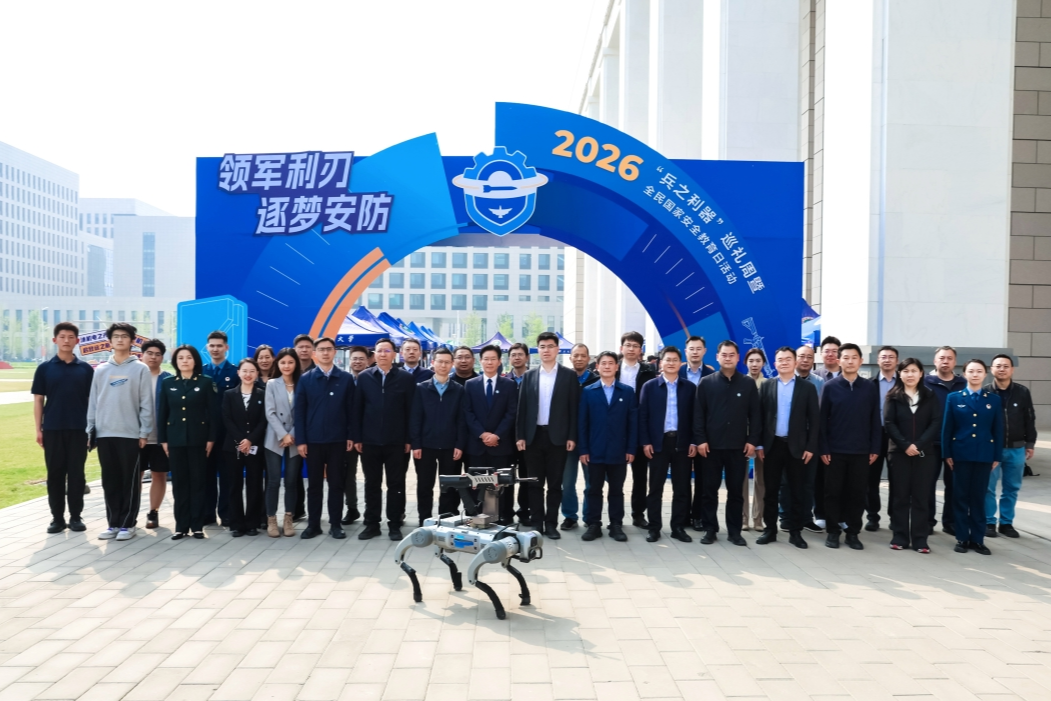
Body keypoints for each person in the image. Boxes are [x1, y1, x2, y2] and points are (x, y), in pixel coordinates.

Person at [87, 323, 154, 541]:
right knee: (110, 481)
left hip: (130, 434)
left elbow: (146, 403)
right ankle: (113, 523)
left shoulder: (140, 369)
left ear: (132, 341)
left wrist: (144, 432)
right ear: (110, 341)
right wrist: (91, 430)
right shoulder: (101, 370)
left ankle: (128, 524)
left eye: (124, 336)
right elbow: (93, 403)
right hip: (105, 433)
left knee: (129, 481)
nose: (120, 339)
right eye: (116, 336)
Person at [694, 340, 760, 546]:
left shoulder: (747, 383)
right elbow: (698, 414)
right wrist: (700, 440)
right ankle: (710, 529)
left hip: (738, 447)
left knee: (736, 492)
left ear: (738, 358)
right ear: (717, 357)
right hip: (711, 447)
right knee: (709, 491)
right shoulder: (706, 382)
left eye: (732, 355)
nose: (728, 358)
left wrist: (752, 441)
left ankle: (734, 531)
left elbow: (755, 415)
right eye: (724, 354)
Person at [516, 331, 580, 539]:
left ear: (557, 349)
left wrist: (572, 436)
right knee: (534, 483)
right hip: (533, 437)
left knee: (554, 485)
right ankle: (537, 523)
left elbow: (574, 409)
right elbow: (522, 409)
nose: (546, 350)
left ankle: (551, 524)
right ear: (538, 350)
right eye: (542, 347)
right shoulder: (529, 376)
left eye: (550, 346)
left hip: (558, 438)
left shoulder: (568, 376)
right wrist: (520, 436)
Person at [818, 343, 881, 550]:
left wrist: (875, 447)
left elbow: (875, 419)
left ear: (861, 361)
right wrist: (824, 448)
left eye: (854, 357)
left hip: (861, 451)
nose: (850, 361)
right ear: (839, 361)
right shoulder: (830, 387)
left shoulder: (869, 387)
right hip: (835, 451)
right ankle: (833, 531)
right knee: (832, 492)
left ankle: (853, 532)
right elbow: (822, 421)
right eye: (846, 357)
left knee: (857, 493)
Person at [33, 322, 95, 534]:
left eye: (70, 337)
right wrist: (38, 429)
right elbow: (38, 400)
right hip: (52, 429)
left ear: (77, 341)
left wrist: (92, 429)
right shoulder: (44, 369)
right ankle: (57, 518)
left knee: (77, 474)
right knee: (55, 474)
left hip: (79, 429)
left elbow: (92, 401)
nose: (66, 340)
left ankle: (76, 517)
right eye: (62, 337)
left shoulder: (85, 369)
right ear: (55, 340)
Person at [756, 347, 819, 549]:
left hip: (797, 447)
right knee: (771, 491)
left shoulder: (807, 387)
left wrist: (811, 446)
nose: (784, 362)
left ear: (795, 363)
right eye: (780, 359)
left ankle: (795, 532)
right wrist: (759, 444)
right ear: (775, 364)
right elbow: (759, 418)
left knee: (797, 491)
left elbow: (814, 420)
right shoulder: (767, 386)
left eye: (788, 359)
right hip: (772, 446)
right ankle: (770, 530)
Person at [353, 338, 416, 540]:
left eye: (386, 351)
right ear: (374, 355)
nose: (382, 354)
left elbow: (411, 411)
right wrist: (357, 437)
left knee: (396, 484)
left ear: (394, 354)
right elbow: (357, 409)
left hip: (396, 442)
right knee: (372, 483)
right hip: (369, 441)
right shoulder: (364, 377)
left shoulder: (405, 378)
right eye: (379, 351)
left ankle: (394, 524)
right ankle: (372, 523)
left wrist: (409, 439)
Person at [296, 337, 356, 539]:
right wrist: (301, 440)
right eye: (321, 349)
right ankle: (313, 525)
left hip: (338, 440)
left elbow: (351, 410)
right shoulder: (306, 379)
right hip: (313, 441)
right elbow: (299, 413)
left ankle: (335, 524)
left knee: (336, 483)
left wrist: (351, 435)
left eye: (329, 349)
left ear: (334, 352)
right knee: (314, 485)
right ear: (315, 353)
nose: (325, 353)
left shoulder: (345, 379)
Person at [942, 359, 1003, 555]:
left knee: (978, 497)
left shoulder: (993, 400)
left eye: (979, 371)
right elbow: (947, 428)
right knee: (960, 497)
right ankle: (962, 538)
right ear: (964, 374)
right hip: (960, 454)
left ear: (985, 374)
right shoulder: (954, 398)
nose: (975, 374)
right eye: (971, 371)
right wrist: (947, 453)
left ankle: (977, 539)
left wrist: (997, 455)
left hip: (984, 455)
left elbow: (998, 430)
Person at [883, 358, 942, 553]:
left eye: (914, 371)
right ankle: (899, 536)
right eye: (906, 371)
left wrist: (919, 444)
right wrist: (906, 445)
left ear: (921, 373)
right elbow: (889, 423)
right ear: (900, 374)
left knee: (921, 496)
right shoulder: (892, 396)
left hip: (925, 453)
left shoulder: (930, 395)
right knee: (899, 495)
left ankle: (920, 539)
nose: (910, 374)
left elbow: (935, 422)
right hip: (899, 453)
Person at [638, 347, 696, 542]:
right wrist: (645, 441)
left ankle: (678, 527)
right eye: (667, 360)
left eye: (675, 360)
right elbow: (643, 416)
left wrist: (694, 441)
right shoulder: (650, 386)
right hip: (658, 443)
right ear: (661, 363)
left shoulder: (689, 388)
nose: (671, 363)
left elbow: (695, 417)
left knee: (682, 488)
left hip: (682, 443)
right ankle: (654, 527)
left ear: (681, 363)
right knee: (655, 488)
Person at [159, 345, 217, 539]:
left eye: (189, 357)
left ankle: (197, 526)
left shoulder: (205, 382)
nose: (185, 361)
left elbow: (213, 414)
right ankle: (181, 526)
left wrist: (211, 438)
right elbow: (162, 413)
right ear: (175, 362)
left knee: (198, 482)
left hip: (198, 439)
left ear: (195, 361)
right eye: (181, 358)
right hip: (175, 439)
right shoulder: (168, 383)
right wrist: (163, 439)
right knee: (179, 483)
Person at [578, 351, 637, 542]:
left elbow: (632, 423)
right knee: (594, 489)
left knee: (616, 490)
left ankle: (616, 524)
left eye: (611, 363)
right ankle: (594, 524)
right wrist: (583, 449)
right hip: (594, 450)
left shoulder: (627, 391)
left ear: (616, 367)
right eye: (603, 363)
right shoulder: (588, 391)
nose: (607, 366)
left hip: (618, 451)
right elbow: (582, 424)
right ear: (597, 367)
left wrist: (631, 449)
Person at [410, 347, 468, 522]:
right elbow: (415, 418)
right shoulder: (421, 388)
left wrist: (460, 444)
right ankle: (425, 520)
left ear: (452, 364)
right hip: (425, 446)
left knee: (449, 486)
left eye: (447, 362)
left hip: (450, 446)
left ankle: (446, 519)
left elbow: (461, 420)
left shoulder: (459, 389)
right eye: (440, 362)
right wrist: (416, 444)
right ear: (433, 363)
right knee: (424, 485)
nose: (443, 365)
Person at [985, 354, 1037, 539]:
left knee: (1012, 488)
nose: (1002, 369)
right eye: (998, 366)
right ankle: (989, 522)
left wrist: (1030, 443)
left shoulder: (1022, 392)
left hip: (1016, 449)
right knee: (988, 488)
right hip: (992, 449)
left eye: (1006, 366)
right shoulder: (985, 392)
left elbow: (1029, 418)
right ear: (992, 369)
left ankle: (1006, 523)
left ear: (1012, 369)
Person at [463, 345, 518, 522]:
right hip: (476, 445)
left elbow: (511, 413)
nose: (489, 362)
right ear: (480, 361)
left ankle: (502, 519)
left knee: (501, 484)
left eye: (493, 359)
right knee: (476, 484)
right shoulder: (470, 385)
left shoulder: (509, 385)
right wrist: (482, 434)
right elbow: (468, 412)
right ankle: (476, 518)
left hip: (500, 445)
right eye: (486, 359)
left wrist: (497, 435)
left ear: (499, 361)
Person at [780, 344, 824, 533]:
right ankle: (785, 517)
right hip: (787, 438)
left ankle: (806, 518)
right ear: (795, 359)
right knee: (785, 482)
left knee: (807, 482)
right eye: (802, 356)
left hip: (808, 439)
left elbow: (818, 416)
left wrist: (812, 443)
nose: (805, 360)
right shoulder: (782, 381)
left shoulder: (819, 383)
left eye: (809, 357)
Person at [616, 331, 658, 529]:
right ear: (621, 348)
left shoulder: (649, 371)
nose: (631, 349)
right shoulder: (613, 368)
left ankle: (638, 514)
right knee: (616, 476)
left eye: (635, 346)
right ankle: (615, 516)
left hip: (640, 428)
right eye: (628, 345)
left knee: (640, 476)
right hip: (616, 428)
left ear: (641, 350)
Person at [923, 346, 966, 536]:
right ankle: (927, 521)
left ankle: (950, 522)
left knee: (955, 485)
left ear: (955, 362)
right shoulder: (925, 382)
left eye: (949, 358)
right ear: (935, 361)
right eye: (942, 358)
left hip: (956, 444)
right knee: (927, 484)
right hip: (931, 442)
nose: (945, 361)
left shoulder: (962, 383)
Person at [221, 358, 267, 537]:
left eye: (252, 371)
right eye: (245, 371)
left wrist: (250, 440)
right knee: (234, 485)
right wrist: (242, 440)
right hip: (233, 447)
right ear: (238, 373)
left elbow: (264, 421)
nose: (248, 374)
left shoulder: (263, 394)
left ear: (257, 374)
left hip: (255, 447)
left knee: (254, 485)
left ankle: (252, 523)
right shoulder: (229, 394)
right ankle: (236, 523)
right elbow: (227, 419)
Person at [263, 348, 302, 537]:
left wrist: (291, 435)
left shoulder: (303, 383)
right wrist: (283, 435)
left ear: (296, 364)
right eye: (283, 362)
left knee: (291, 481)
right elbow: (269, 412)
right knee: (273, 481)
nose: (286, 366)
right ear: (277, 364)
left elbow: (304, 411)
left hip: (295, 437)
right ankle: (271, 519)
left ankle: (288, 518)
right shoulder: (272, 384)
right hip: (274, 437)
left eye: (290, 362)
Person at [202, 331, 239, 526]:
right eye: (212, 346)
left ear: (226, 347)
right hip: (206, 433)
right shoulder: (200, 372)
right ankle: (207, 513)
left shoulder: (235, 372)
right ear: (207, 347)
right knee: (207, 475)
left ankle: (226, 513)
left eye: (219, 345)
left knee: (227, 475)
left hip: (227, 434)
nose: (215, 349)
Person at [679, 336, 714, 532]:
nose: (695, 352)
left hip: (703, 435)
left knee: (702, 478)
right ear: (686, 351)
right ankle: (683, 515)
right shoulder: (677, 372)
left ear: (704, 351)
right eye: (691, 349)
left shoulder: (711, 374)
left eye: (698, 349)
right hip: (682, 434)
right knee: (683, 478)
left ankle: (698, 516)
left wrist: (701, 437)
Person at [561, 343, 598, 530]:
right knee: (567, 482)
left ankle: (590, 516)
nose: (579, 359)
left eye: (583, 355)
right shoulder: (563, 379)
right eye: (576, 355)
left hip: (590, 441)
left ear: (588, 358)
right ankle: (570, 516)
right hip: (567, 439)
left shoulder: (596, 380)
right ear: (570, 358)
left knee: (591, 482)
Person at [866, 345, 898, 532]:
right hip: (875, 434)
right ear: (878, 360)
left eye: (891, 357)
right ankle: (872, 516)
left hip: (897, 436)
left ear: (897, 361)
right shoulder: (869, 384)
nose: (887, 360)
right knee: (871, 479)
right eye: (883, 357)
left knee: (897, 480)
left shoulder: (903, 383)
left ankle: (895, 517)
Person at [140, 339, 172, 530]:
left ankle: (153, 512)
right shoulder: (135, 375)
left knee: (159, 474)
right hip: (137, 437)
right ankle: (131, 511)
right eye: (150, 353)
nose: (153, 357)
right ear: (142, 355)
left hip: (160, 438)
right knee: (135, 475)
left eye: (158, 354)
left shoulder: (168, 379)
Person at [341, 345, 369, 526]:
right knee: (348, 475)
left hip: (369, 437)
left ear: (368, 361)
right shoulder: (344, 381)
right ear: (349, 361)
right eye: (354, 358)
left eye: (361, 359)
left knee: (370, 477)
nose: (357, 362)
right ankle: (352, 508)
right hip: (349, 437)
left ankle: (370, 511)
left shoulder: (372, 380)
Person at [504, 342, 531, 522]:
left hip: (528, 437)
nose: (517, 357)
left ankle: (524, 511)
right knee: (507, 476)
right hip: (507, 437)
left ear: (527, 357)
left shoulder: (534, 378)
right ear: (509, 359)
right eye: (513, 355)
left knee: (526, 476)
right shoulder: (505, 380)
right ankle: (506, 512)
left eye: (520, 354)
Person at [742, 348, 767, 533]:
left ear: (763, 363)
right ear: (745, 363)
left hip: (762, 439)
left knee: (761, 480)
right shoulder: (740, 383)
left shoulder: (769, 384)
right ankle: (743, 518)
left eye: (758, 361)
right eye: (751, 361)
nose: (754, 364)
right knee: (741, 480)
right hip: (742, 438)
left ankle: (758, 519)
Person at [290, 334, 314, 521]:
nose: (304, 350)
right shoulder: (289, 371)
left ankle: (315, 512)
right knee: (294, 473)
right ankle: (297, 510)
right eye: (301, 347)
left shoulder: (317, 372)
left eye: (307, 347)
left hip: (314, 429)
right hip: (292, 430)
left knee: (314, 474)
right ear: (295, 349)